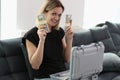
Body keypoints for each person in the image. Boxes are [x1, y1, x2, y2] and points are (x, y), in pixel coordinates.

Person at [23, 0, 73, 79]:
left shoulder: (59, 32)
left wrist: (69, 39)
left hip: (62, 75)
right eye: (53, 14)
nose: (57, 18)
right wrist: (41, 41)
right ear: (44, 13)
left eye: (59, 15)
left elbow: (67, 59)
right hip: (45, 77)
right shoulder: (31, 35)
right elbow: (35, 65)